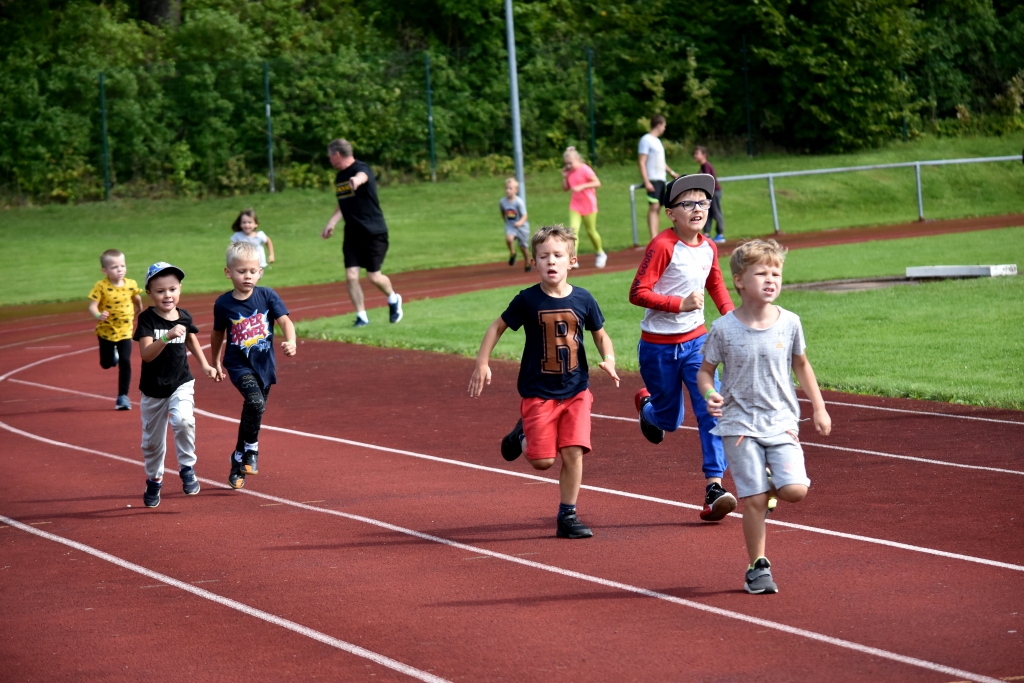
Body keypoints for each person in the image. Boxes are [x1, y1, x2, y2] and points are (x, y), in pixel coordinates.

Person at [697, 239, 832, 594]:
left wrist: (818, 406)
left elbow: (801, 364)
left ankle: (768, 483)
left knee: (796, 490)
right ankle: (757, 566)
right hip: (738, 423)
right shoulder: (724, 328)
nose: (771, 279)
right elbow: (705, 372)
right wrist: (710, 394)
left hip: (781, 421)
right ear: (740, 281)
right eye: (762, 273)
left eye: (777, 273)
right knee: (754, 500)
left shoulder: (790, 322)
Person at [469, 225, 620, 539]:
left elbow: (600, 334)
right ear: (535, 263)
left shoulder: (584, 298)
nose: (551, 261)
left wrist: (609, 357)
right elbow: (497, 327)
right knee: (542, 462)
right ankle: (523, 430)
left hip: (577, 390)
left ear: (572, 261)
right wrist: (482, 362)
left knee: (574, 451)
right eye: (543, 256)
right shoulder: (527, 300)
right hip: (539, 392)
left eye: (557, 255)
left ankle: (568, 514)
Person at [629, 174, 738, 522]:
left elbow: (716, 284)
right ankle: (648, 407)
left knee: (712, 409)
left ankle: (713, 488)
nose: (697, 209)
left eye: (703, 202)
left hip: (697, 344)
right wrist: (678, 304)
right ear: (671, 213)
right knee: (669, 420)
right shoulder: (662, 246)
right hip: (658, 348)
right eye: (688, 203)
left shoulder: (709, 247)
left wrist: (735, 321)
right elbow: (637, 293)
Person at [211, 242, 297, 490]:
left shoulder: (267, 295)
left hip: (264, 366)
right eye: (241, 271)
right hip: (238, 365)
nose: (247, 276)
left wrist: (291, 341)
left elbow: (285, 321)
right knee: (255, 403)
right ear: (228, 272)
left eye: (252, 271)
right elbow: (217, 335)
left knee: (253, 411)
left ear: (260, 271)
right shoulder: (223, 303)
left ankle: (238, 459)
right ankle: (251, 450)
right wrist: (215, 361)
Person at [134, 262, 218, 508]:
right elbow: (147, 354)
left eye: (172, 289)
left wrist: (205, 365)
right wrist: (166, 336)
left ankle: (187, 468)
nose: (167, 295)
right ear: (150, 293)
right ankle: (154, 479)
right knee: (152, 443)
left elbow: (190, 337)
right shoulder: (147, 319)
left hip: (181, 382)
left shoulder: (184, 315)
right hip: (153, 390)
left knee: (183, 421)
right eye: (160, 291)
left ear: (180, 289)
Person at [321, 138, 403, 326]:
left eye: (330, 157)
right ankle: (362, 316)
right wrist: (331, 222)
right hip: (352, 233)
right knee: (351, 275)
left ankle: (393, 298)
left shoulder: (362, 168)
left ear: (337, 155)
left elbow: (362, 176)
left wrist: (356, 181)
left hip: (373, 231)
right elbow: (343, 202)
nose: (329, 161)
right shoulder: (339, 177)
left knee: (374, 276)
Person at [88, 249, 143, 410]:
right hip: (106, 330)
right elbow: (92, 305)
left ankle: (122, 397)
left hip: (125, 330)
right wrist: (98, 314)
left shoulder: (131, 284)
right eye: (114, 267)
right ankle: (112, 357)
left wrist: (139, 309)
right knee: (106, 364)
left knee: (126, 361)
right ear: (104, 271)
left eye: (122, 266)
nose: (120, 270)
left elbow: (137, 298)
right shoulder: (101, 286)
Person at [561, 146, 607, 269]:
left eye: (570, 163)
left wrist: (582, 186)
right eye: (566, 164)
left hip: (588, 204)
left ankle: (600, 253)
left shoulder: (585, 169)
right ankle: (573, 257)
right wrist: (564, 176)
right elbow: (565, 188)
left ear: (577, 159)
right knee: (572, 231)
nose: (568, 166)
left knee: (591, 231)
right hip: (575, 205)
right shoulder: (569, 172)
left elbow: (597, 183)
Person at [638, 115, 679, 240]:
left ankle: (656, 236)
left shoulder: (658, 141)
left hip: (661, 179)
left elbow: (661, 162)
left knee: (659, 208)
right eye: (664, 126)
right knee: (654, 207)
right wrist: (646, 181)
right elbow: (641, 161)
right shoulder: (646, 140)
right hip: (653, 179)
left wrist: (671, 172)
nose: (664, 129)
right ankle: (653, 237)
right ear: (659, 125)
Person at [693, 146, 726, 243]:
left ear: (704, 155)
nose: (695, 156)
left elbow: (707, 180)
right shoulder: (703, 167)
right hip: (709, 193)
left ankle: (720, 234)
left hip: (714, 192)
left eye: (697, 153)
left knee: (716, 212)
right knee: (708, 213)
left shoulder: (706, 166)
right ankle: (706, 234)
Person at [499, 177, 532, 272]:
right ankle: (513, 252)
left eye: (510, 188)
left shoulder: (519, 202)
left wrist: (520, 223)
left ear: (516, 190)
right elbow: (503, 212)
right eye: (506, 188)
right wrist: (506, 221)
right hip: (511, 225)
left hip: (522, 227)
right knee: (509, 239)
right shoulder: (502, 202)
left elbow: (525, 215)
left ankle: (527, 262)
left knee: (523, 247)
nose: (508, 190)